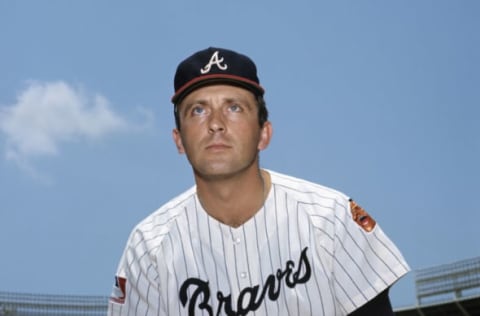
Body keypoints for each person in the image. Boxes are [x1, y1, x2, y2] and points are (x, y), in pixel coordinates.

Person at [108, 47, 409, 316]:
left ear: (264, 133)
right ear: (179, 141)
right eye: (197, 110)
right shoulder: (148, 247)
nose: (215, 124)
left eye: (234, 108)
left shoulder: (330, 218)